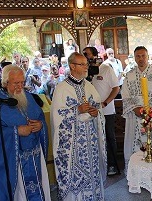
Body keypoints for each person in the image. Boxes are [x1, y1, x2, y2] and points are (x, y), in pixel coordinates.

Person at [0, 65, 51, 200]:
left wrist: (40, 125)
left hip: (35, 157)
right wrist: (16, 131)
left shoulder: (28, 97)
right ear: (5, 83)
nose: (20, 87)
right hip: (15, 160)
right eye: (16, 83)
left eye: (22, 83)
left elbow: (40, 117)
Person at [51, 52, 106, 200]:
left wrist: (96, 112)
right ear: (72, 66)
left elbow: (98, 108)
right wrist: (77, 110)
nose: (86, 67)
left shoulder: (89, 86)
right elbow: (58, 118)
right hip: (73, 149)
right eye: (82, 65)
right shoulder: (61, 89)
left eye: (86, 64)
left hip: (91, 144)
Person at [121, 46, 152, 171]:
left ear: (147, 57)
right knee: (134, 146)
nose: (141, 59)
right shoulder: (129, 75)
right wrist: (135, 109)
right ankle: (135, 174)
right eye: (138, 56)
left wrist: (148, 111)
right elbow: (125, 95)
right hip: (134, 117)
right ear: (134, 58)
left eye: (143, 56)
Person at [86, 46, 121, 176]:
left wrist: (105, 102)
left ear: (95, 55)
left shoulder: (106, 69)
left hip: (106, 111)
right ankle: (97, 165)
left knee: (109, 137)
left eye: (87, 54)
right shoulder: (85, 71)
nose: (86, 57)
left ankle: (112, 165)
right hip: (90, 112)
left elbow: (116, 88)